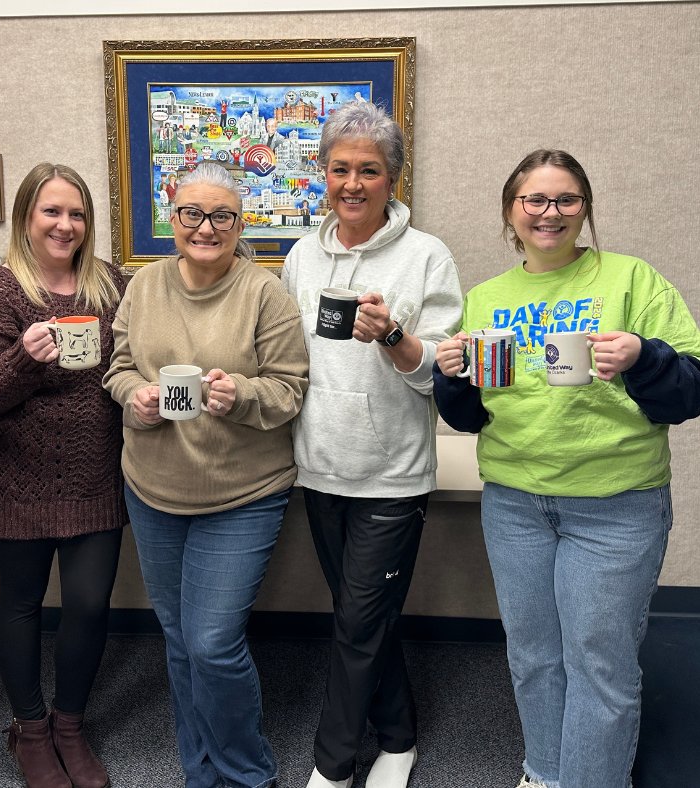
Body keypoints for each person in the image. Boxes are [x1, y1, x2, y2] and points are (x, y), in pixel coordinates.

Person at [433, 149, 700, 788]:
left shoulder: (632, 281)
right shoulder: (487, 297)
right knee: (531, 658)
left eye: (566, 201)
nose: (550, 214)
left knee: (598, 663)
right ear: (511, 211)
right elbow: (472, 418)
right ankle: (544, 773)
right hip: (515, 501)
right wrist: (452, 379)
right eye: (535, 200)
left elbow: (689, 392)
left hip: (616, 502)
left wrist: (643, 356)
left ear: (585, 209)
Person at [104, 161, 309, 788]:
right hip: (153, 488)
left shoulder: (264, 293)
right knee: (179, 638)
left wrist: (240, 395)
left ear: (239, 223)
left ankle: (247, 773)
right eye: (192, 213)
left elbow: (290, 389)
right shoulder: (142, 286)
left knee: (213, 643)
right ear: (172, 213)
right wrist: (135, 398)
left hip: (242, 494)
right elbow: (117, 368)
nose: (205, 227)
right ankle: (200, 770)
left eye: (221, 215)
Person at [282, 101, 462, 788]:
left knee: (358, 625)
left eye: (369, 171)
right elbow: (290, 357)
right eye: (339, 169)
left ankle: (331, 768)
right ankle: (399, 736)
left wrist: (393, 337)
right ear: (322, 175)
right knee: (365, 619)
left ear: (393, 180)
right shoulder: (301, 256)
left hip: (392, 476)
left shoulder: (427, 257)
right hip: (320, 468)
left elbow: (442, 373)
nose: (352, 183)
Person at [0, 162, 126, 788]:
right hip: (18, 477)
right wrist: (23, 360)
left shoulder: (111, 286)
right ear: (26, 217)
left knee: (87, 604)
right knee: (22, 603)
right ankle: (29, 729)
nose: (65, 224)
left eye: (76, 213)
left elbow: (138, 358)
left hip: (95, 476)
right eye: (51, 211)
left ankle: (69, 725)